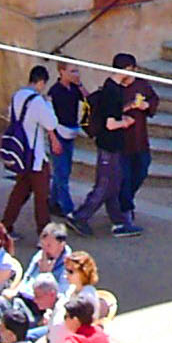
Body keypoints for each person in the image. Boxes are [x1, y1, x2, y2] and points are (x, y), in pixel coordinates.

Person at [67, 68, 136, 237]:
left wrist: (129, 107)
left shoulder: (112, 88)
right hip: (109, 145)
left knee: (114, 184)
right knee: (104, 185)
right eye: (133, 72)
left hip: (111, 145)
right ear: (126, 70)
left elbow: (110, 112)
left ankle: (119, 221)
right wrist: (125, 122)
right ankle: (80, 216)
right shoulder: (113, 91)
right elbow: (110, 123)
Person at [1, 65, 62, 233]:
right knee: (42, 197)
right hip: (35, 156)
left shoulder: (17, 96)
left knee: (20, 192)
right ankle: (44, 235)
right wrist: (48, 104)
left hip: (21, 153)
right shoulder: (37, 101)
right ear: (41, 82)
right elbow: (51, 123)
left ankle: (5, 227)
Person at [113, 53, 160, 223]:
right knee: (124, 177)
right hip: (122, 143)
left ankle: (124, 200)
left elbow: (153, 99)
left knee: (141, 171)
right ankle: (126, 210)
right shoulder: (114, 88)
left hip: (140, 140)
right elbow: (109, 111)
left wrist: (146, 106)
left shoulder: (141, 85)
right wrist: (129, 106)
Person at [48, 62, 88, 217]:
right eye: (72, 71)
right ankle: (68, 208)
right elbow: (49, 118)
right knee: (62, 172)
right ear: (61, 71)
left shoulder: (74, 89)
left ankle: (52, 202)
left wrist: (80, 85)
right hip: (58, 134)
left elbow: (88, 99)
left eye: (77, 71)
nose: (75, 74)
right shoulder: (55, 92)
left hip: (70, 133)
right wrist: (53, 140)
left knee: (63, 170)